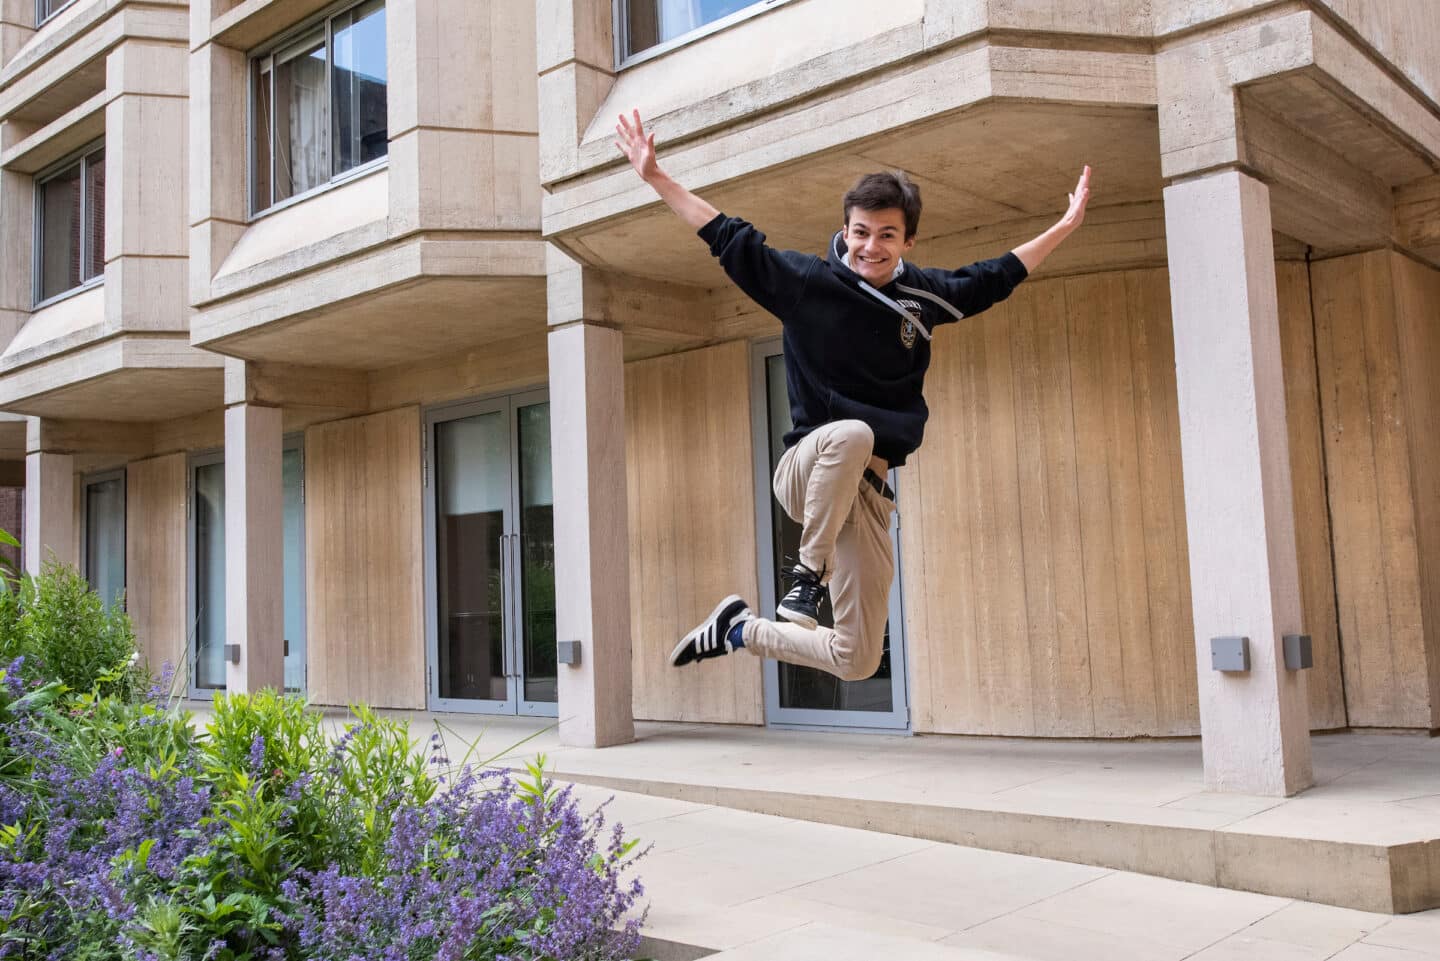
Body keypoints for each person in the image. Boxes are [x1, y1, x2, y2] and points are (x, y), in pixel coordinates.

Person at [614, 109, 1091, 681]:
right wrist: (657, 178)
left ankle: (739, 629)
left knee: (859, 659)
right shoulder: (807, 283)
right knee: (854, 433)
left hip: (869, 497)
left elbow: (995, 275)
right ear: (845, 231)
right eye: (860, 232)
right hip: (808, 469)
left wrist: (1064, 227)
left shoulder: (924, 296)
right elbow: (728, 238)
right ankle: (805, 578)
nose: (871, 246)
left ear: (907, 239)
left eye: (886, 235)